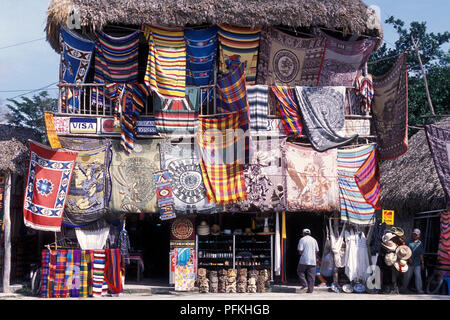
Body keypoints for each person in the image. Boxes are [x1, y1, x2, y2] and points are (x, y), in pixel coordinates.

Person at [401, 228, 425, 294]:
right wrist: (409, 258)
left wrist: (422, 263)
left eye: (416, 235)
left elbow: (421, 254)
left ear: (419, 235)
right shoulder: (408, 241)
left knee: (418, 276)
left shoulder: (420, 243)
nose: (414, 235)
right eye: (413, 234)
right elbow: (404, 251)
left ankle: (420, 290)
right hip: (409, 262)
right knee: (407, 276)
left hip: (417, 263)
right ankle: (403, 288)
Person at [297, 228, 319, 293]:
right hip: (312, 260)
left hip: (304, 259)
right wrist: (312, 254)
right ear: (310, 233)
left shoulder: (302, 239)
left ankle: (304, 283)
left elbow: (300, 250)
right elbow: (316, 250)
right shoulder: (314, 240)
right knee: (311, 276)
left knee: (300, 271)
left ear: (303, 233)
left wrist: (302, 254)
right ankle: (310, 290)